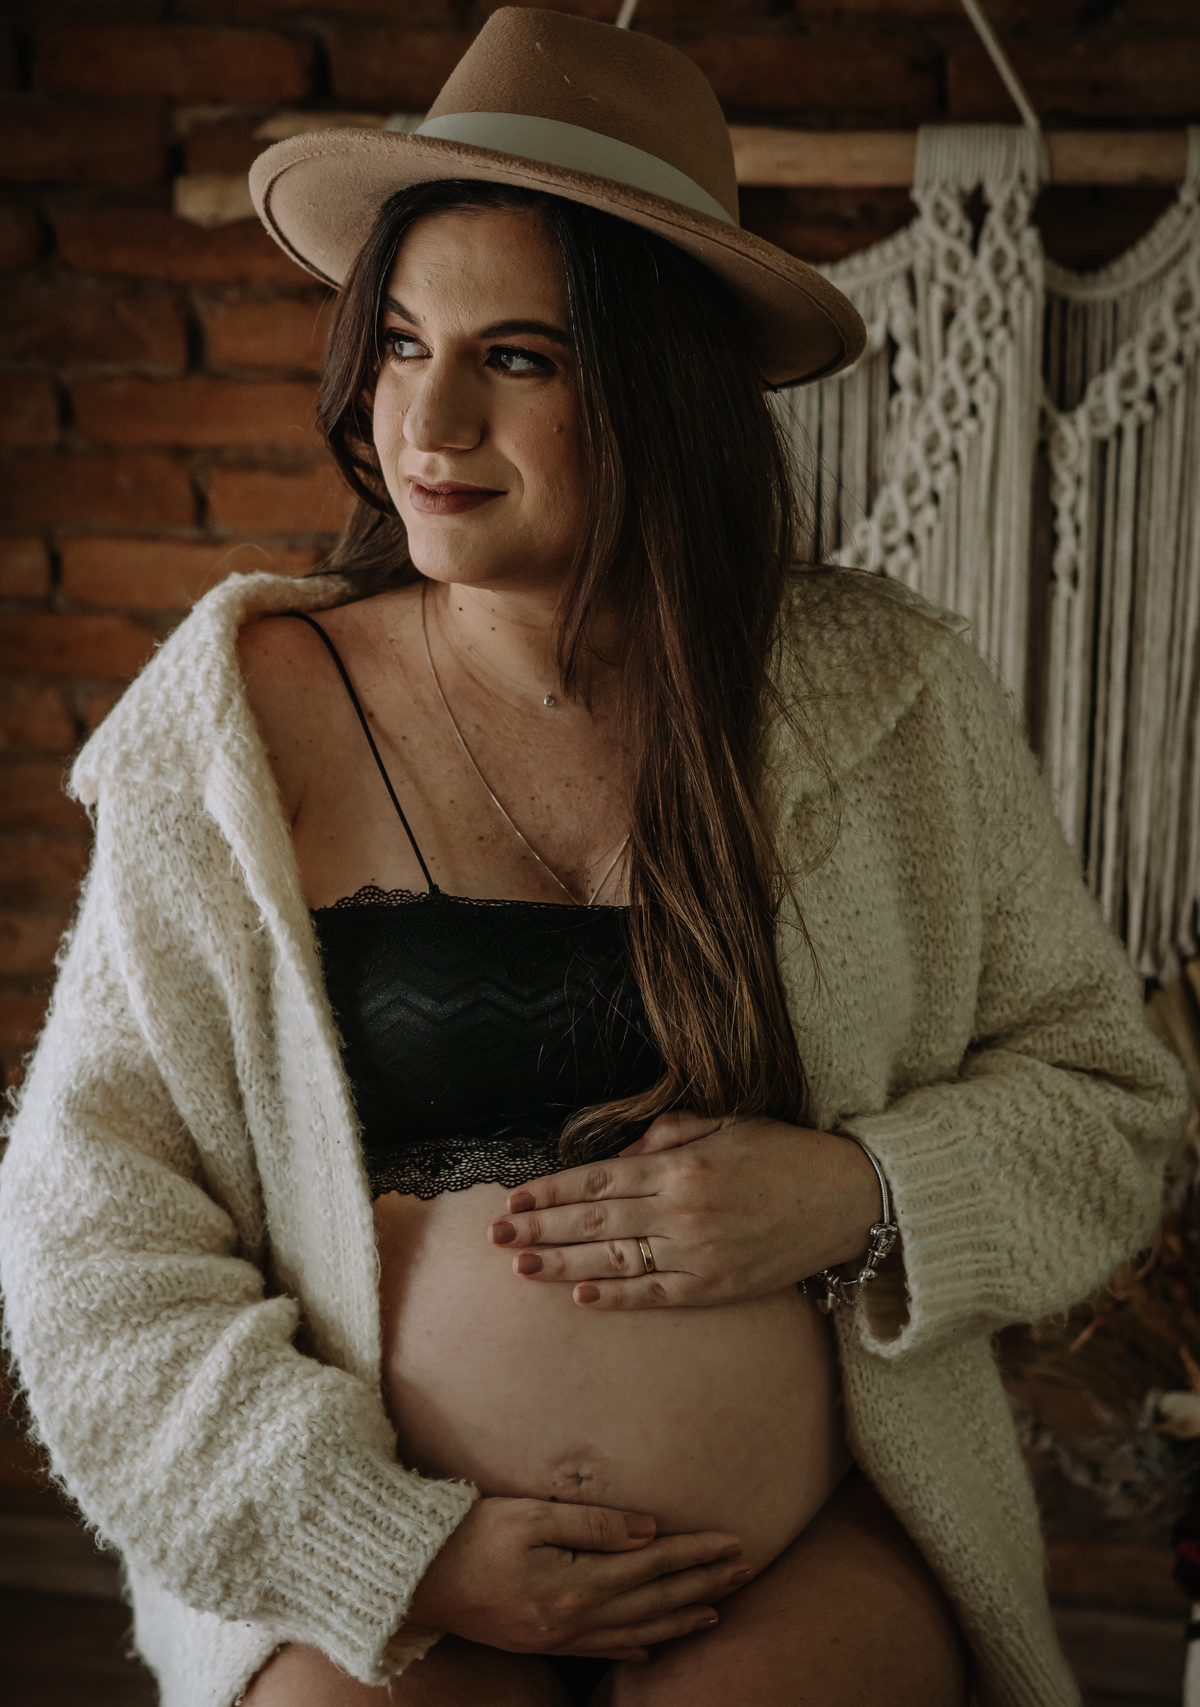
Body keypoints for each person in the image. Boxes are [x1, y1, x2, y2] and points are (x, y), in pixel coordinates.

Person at [0, 12, 1186, 1707]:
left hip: (798, 1551)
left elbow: (1107, 1103)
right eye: (399, 344)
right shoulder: (241, 722)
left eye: (519, 358)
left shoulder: (887, 698)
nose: (427, 418)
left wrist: (861, 1192)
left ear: (661, 386)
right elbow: (90, 1232)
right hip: (382, 1576)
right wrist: (383, 1545)